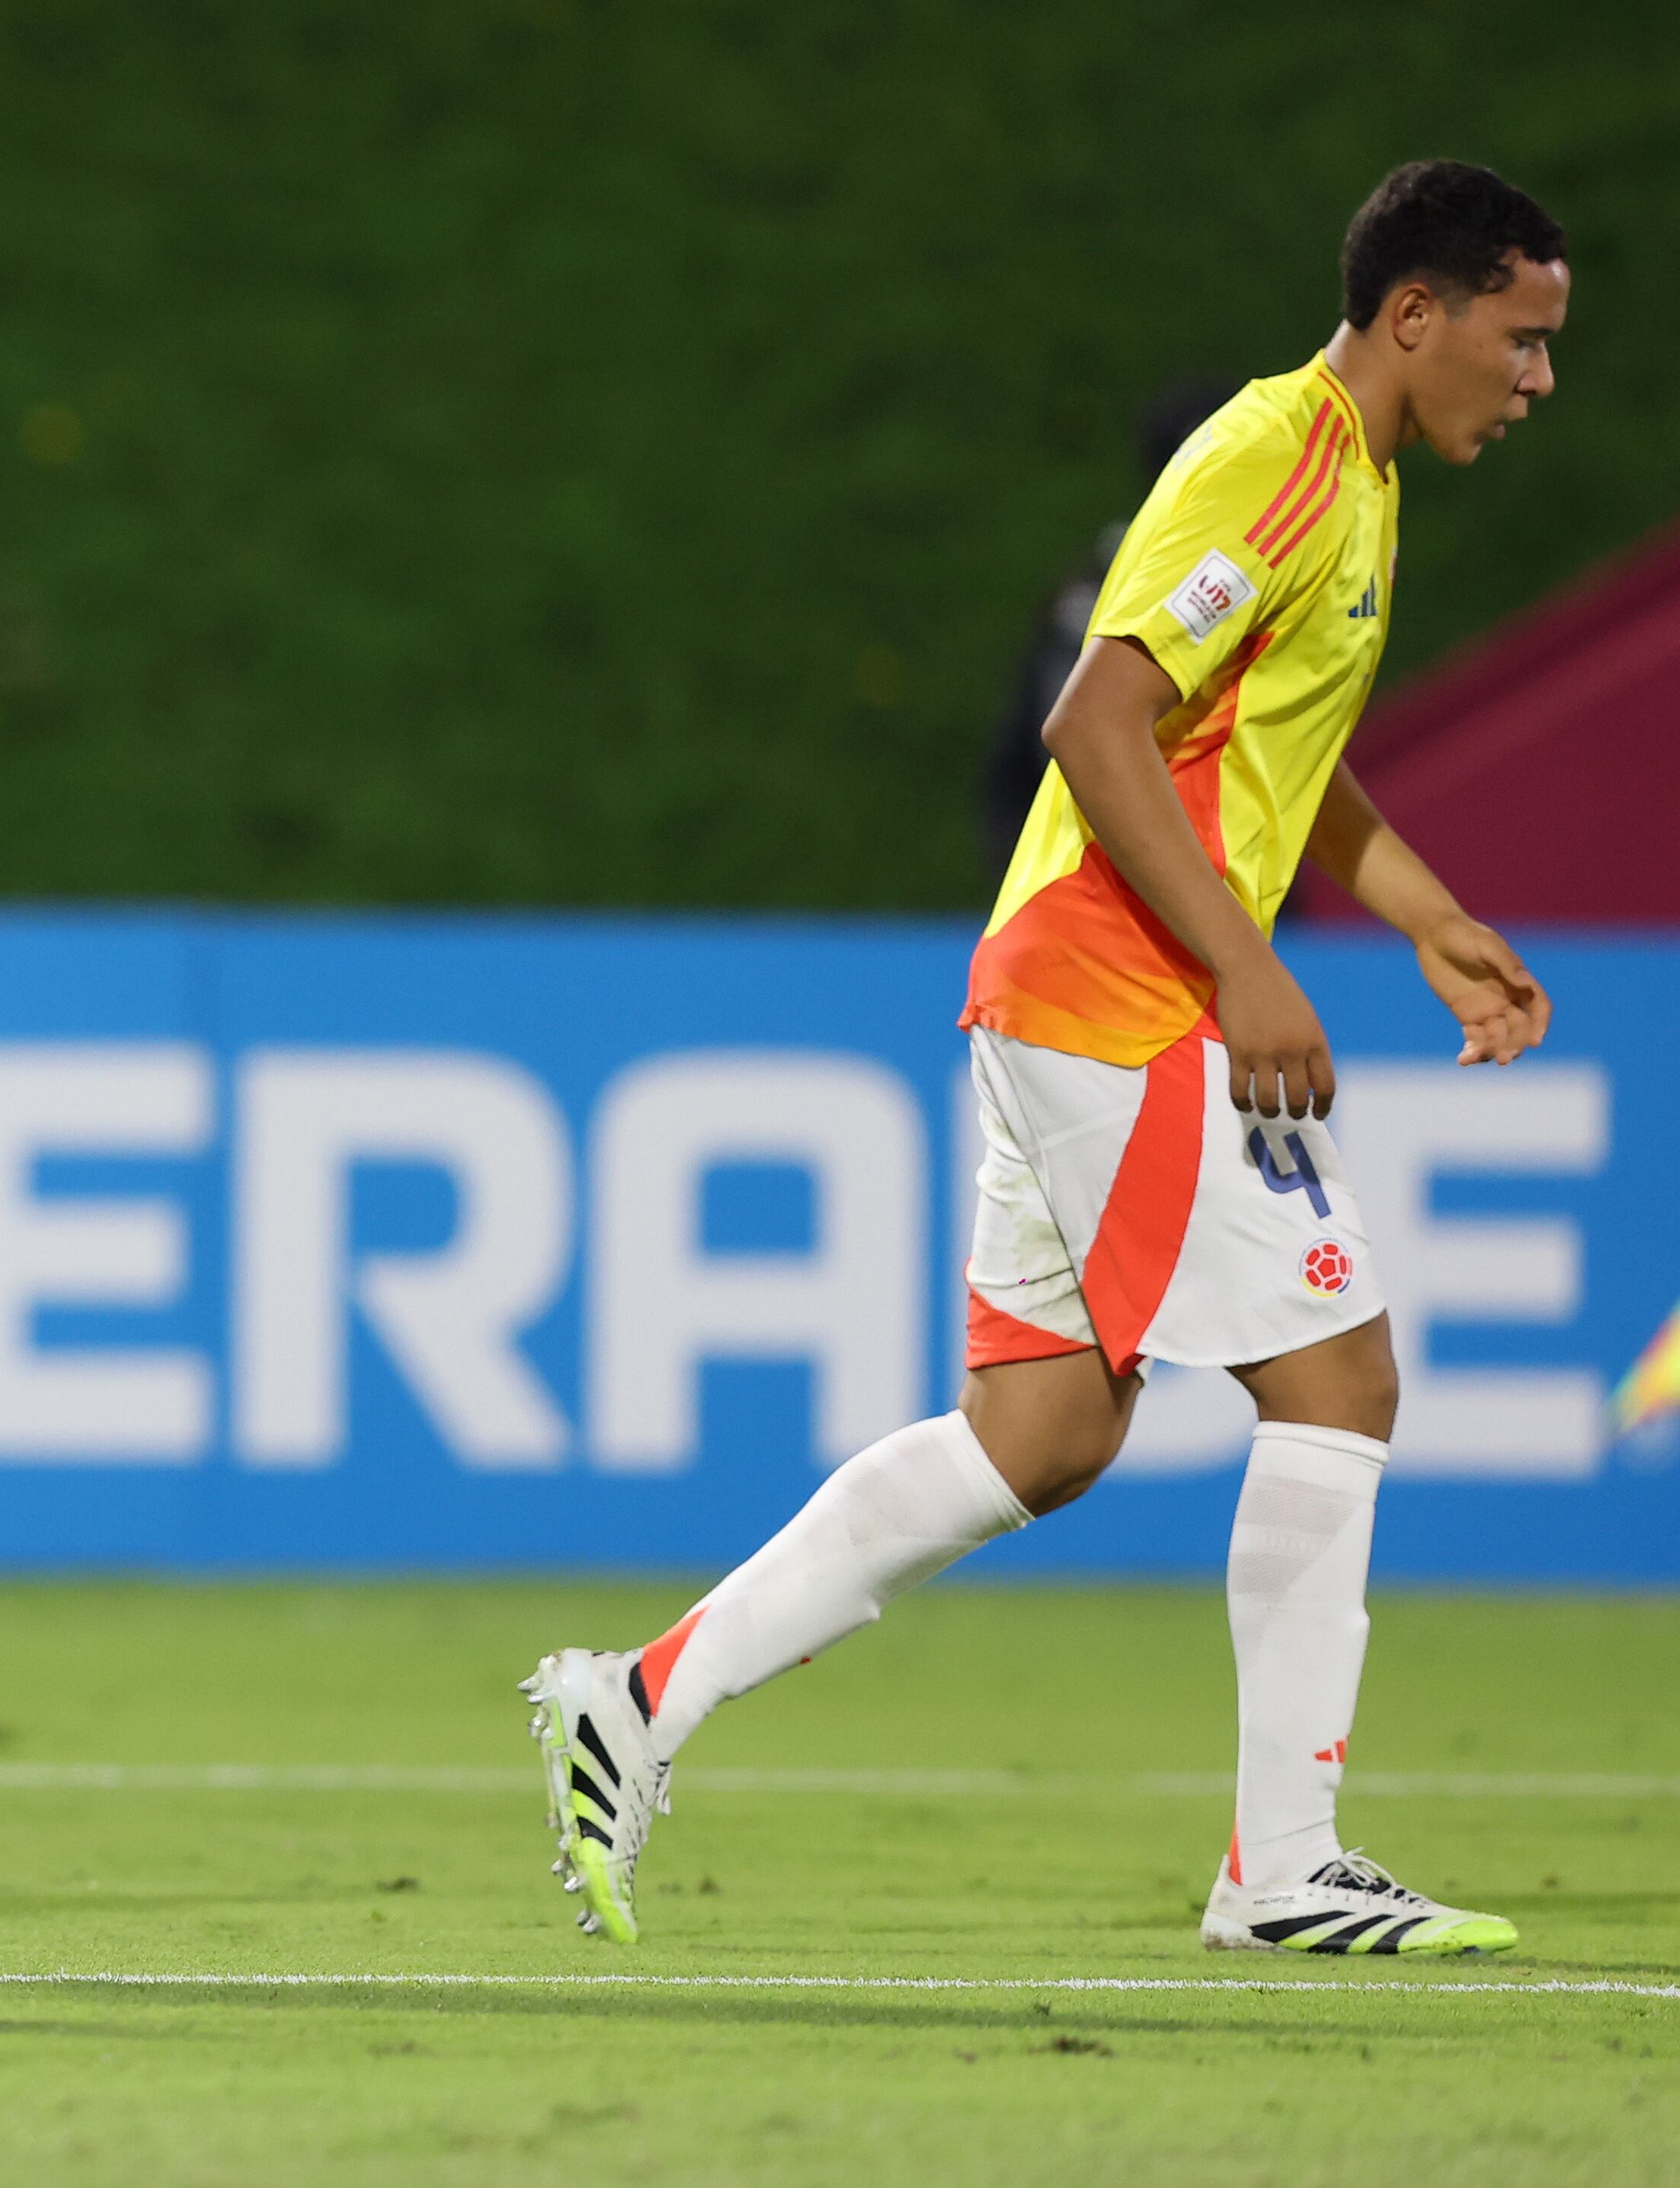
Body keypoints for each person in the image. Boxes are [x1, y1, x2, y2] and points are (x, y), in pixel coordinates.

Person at [526, 159, 1568, 1958]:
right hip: (1123, 992)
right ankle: (1282, 1866)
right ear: (1420, 312)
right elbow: (1097, 719)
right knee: (1342, 1382)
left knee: (1042, 1433)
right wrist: (1248, 970)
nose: (1539, 377)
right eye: (1524, 334)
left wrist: (1420, 909)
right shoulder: (1283, 453)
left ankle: (635, 1697)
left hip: (1070, 992)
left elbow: (1274, 755)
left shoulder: (1363, 481)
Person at [974, 378, 1232, 881]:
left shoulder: (1101, 584)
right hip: (1106, 882)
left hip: (1199, 882)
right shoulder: (1102, 594)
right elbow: (1062, 741)